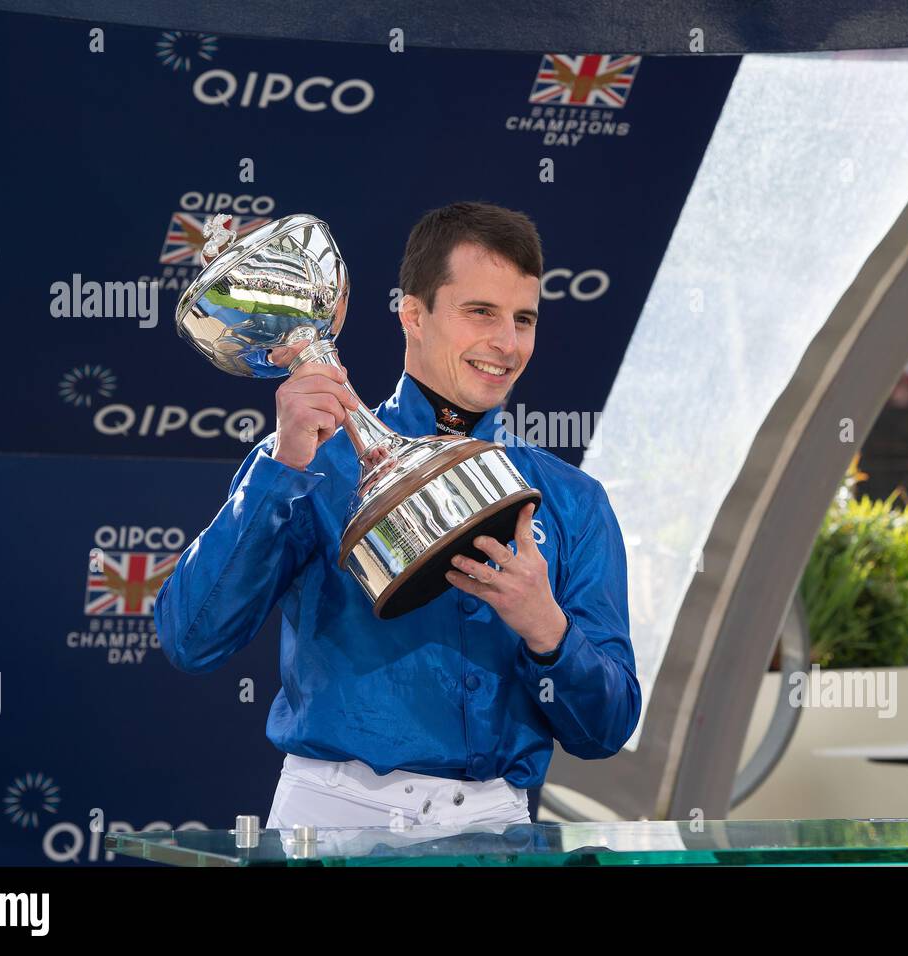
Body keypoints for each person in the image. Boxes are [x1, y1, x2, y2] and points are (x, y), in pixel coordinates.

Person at [155, 201, 641, 832]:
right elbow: (191, 640)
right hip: (333, 818)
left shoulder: (572, 499)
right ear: (413, 314)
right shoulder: (308, 462)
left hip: (497, 829)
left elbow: (606, 730)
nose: (507, 343)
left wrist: (545, 626)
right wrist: (283, 468)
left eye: (524, 319)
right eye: (480, 313)